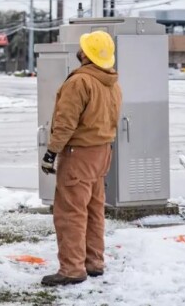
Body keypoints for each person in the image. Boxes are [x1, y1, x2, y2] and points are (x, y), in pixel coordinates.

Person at [40, 30, 122, 287]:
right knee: (94, 209)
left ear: (87, 54)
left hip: (79, 155)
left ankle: (72, 269)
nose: (80, 50)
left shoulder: (80, 82)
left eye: (83, 47)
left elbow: (65, 123)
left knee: (70, 213)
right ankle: (93, 262)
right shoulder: (112, 83)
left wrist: (51, 152)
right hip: (102, 152)